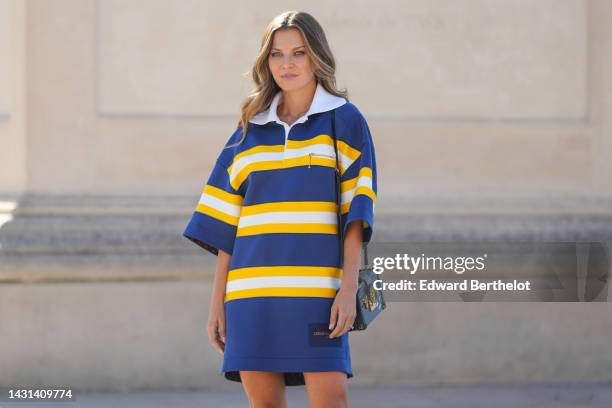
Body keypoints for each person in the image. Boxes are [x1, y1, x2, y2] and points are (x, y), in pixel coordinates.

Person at [183, 10, 377, 408]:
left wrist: (348, 288)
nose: (286, 64)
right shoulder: (250, 127)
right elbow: (226, 224)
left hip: (318, 293)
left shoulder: (344, 120)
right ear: (265, 61)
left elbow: (355, 213)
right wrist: (216, 303)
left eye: (298, 53)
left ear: (316, 57)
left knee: (331, 400)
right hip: (251, 293)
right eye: (276, 54)